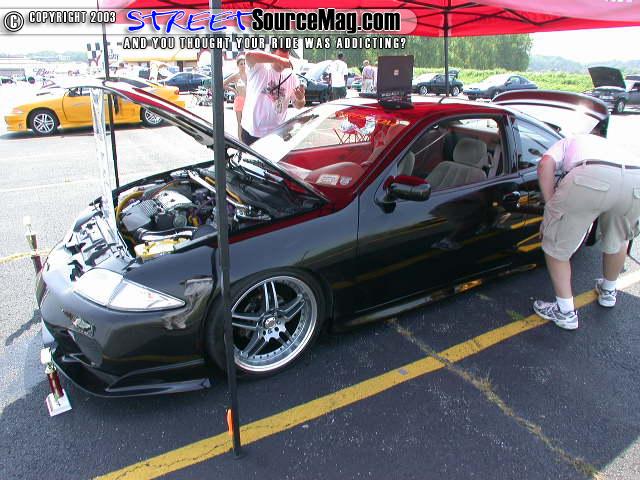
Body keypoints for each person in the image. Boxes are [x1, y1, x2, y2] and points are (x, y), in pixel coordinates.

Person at [533, 133, 640, 330]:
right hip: (636, 179)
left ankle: (565, 312)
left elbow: (545, 164)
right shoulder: (606, 145)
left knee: (556, 244)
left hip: (592, 175)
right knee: (618, 238)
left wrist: (551, 208)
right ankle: (608, 292)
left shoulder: (567, 142)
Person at [240, 48, 306, 145]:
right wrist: (280, 60)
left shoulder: (292, 76)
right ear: (272, 54)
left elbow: (298, 105)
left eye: (286, 59)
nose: (283, 63)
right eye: (280, 58)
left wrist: (300, 99)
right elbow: (249, 55)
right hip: (252, 132)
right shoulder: (259, 67)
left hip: (276, 134)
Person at [223, 55, 247, 140]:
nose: (243, 65)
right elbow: (223, 84)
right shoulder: (236, 75)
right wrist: (233, 90)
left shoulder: (249, 74)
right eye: (241, 64)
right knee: (240, 123)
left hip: (248, 101)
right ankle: (240, 142)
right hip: (239, 101)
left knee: (248, 123)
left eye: (244, 63)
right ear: (238, 65)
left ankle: (247, 142)